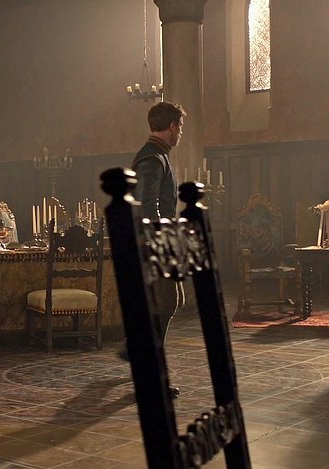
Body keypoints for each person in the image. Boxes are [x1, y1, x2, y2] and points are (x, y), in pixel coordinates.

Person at [120, 101, 186, 398]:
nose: (180, 132)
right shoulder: (152, 159)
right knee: (165, 303)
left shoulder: (156, 156)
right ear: (172, 126)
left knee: (166, 303)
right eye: (179, 127)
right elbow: (148, 207)